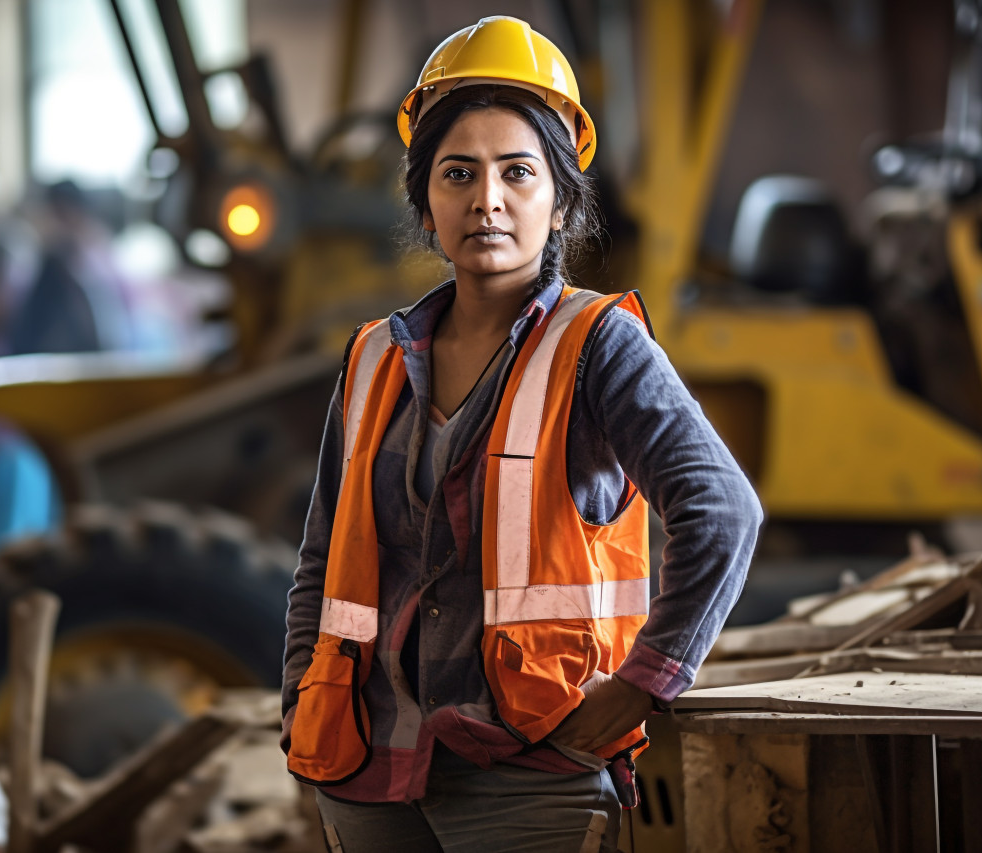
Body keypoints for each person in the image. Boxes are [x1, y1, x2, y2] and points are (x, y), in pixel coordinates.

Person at [281, 16, 762, 853]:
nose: (487, 200)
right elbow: (321, 562)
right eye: (458, 173)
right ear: (425, 202)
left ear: (562, 199)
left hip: (531, 775)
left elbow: (722, 512)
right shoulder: (374, 358)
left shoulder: (599, 346)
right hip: (373, 771)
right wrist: (300, 706)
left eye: (518, 173)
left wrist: (645, 685)